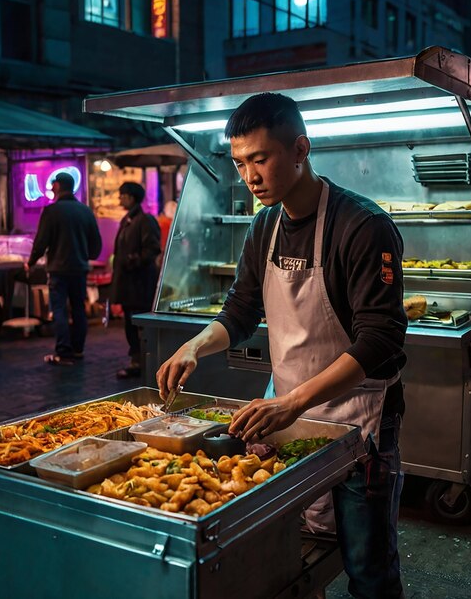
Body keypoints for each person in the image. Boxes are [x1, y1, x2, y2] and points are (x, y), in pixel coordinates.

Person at [157, 93, 407, 598]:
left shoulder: (361, 226)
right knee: (292, 549)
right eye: (240, 163)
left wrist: (292, 401)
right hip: (289, 408)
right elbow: (240, 312)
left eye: (260, 159)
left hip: (360, 416)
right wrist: (195, 346)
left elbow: (380, 339)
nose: (249, 176)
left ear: (300, 150)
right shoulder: (264, 226)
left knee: (367, 564)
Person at [25, 171, 102, 366]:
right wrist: (86, 256)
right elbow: (96, 245)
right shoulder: (85, 210)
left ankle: (63, 352)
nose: (50, 188)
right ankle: (78, 350)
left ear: (58, 186)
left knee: (58, 309)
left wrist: (31, 262)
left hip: (59, 269)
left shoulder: (52, 211)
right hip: (79, 269)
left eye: (52, 185)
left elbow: (41, 242)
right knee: (78, 308)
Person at [111, 182, 161, 379]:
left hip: (139, 284)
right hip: (128, 283)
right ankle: (136, 359)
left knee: (138, 323)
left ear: (131, 197)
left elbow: (152, 249)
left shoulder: (144, 220)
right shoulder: (129, 220)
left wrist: (135, 260)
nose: (119, 199)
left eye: (122, 195)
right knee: (130, 322)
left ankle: (140, 361)